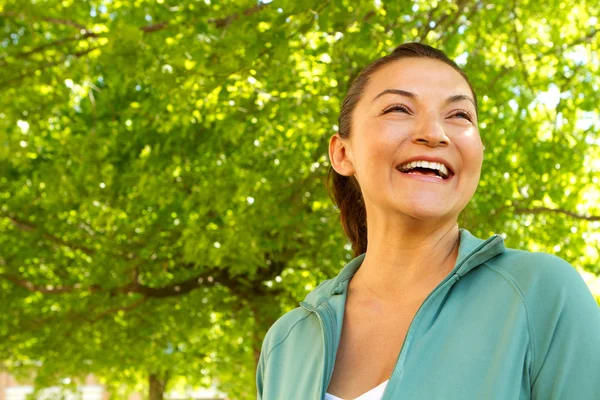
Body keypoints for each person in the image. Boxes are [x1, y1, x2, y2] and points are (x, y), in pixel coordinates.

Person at [256, 43, 600, 399]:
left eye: (459, 116)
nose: (434, 133)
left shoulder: (542, 294)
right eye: (399, 108)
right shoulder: (286, 342)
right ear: (343, 153)